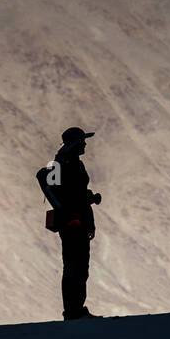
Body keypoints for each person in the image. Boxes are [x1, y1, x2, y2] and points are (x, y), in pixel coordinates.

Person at [37, 127, 103, 320]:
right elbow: (56, 192)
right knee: (75, 265)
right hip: (72, 223)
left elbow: (73, 192)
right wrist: (68, 215)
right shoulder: (62, 163)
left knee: (80, 265)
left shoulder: (72, 163)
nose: (85, 144)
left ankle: (76, 309)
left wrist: (89, 198)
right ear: (74, 143)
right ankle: (73, 311)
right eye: (82, 140)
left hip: (79, 220)